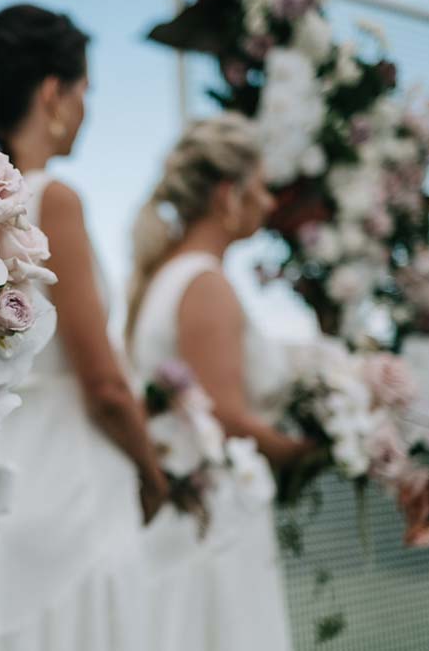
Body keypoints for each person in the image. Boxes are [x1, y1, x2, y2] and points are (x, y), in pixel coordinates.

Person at [0, 4, 168, 651]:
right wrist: (153, 474)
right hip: (76, 496)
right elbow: (103, 382)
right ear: (53, 93)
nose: (88, 107)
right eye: (85, 89)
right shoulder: (51, 201)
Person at [128, 113, 309, 650]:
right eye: (262, 187)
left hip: (192, 513)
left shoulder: (168, 276)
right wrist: (304, 451)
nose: (271, 202)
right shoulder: (204, 283)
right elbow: (226, 421)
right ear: (229, 194)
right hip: (215, 524)